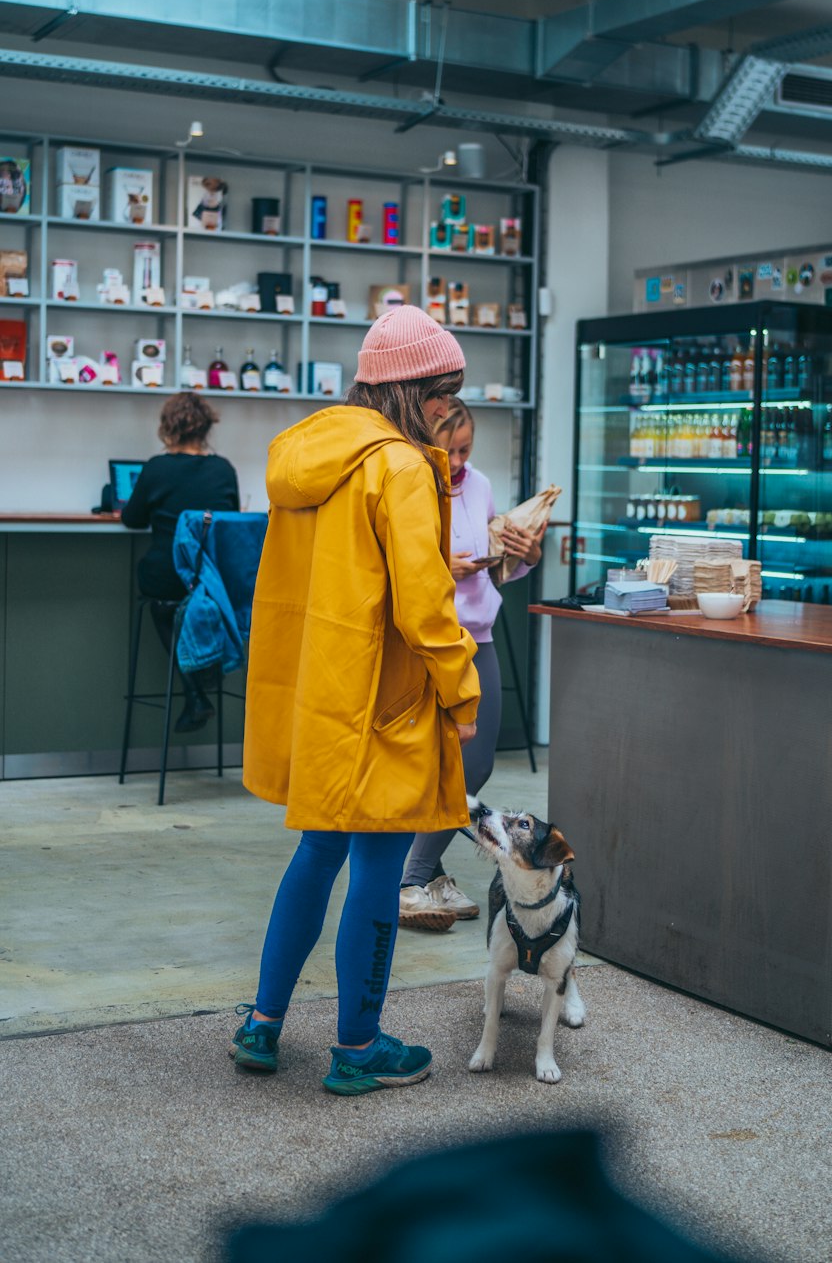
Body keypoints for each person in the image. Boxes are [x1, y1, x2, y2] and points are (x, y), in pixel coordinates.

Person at [233, 306, 479, 1096]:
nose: (450, 406)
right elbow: (424, 602)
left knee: (316, 851)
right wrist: (460, 686)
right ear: (410, 391)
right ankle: (359, 1047)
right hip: (387, 698)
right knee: (378, 863)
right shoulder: (403, 469)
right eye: (444, 390)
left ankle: (263, 1026)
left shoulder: (307, 456)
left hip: (321, 691)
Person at [399, 396, 544, 929]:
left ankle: (422, 872)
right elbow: (396, 570)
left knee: (474, 765)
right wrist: (443, 568)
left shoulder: (479, 485)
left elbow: (497, 572)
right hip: (427, 642)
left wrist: (525, 556)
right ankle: (414, 878)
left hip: (478, 637)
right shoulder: (412, 483)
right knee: (427, 767)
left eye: (466, 450)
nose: (459, 462)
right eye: (449, 449)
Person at [120, 391, 239, 732]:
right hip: (213, 583)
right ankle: (208, 666)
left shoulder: (157, 468)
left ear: (168, 427)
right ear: (205, 428)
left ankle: (196, 689)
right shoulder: (223, 469)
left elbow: (132, 518)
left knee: (166, 605)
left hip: (170, 579)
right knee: (192, 600)